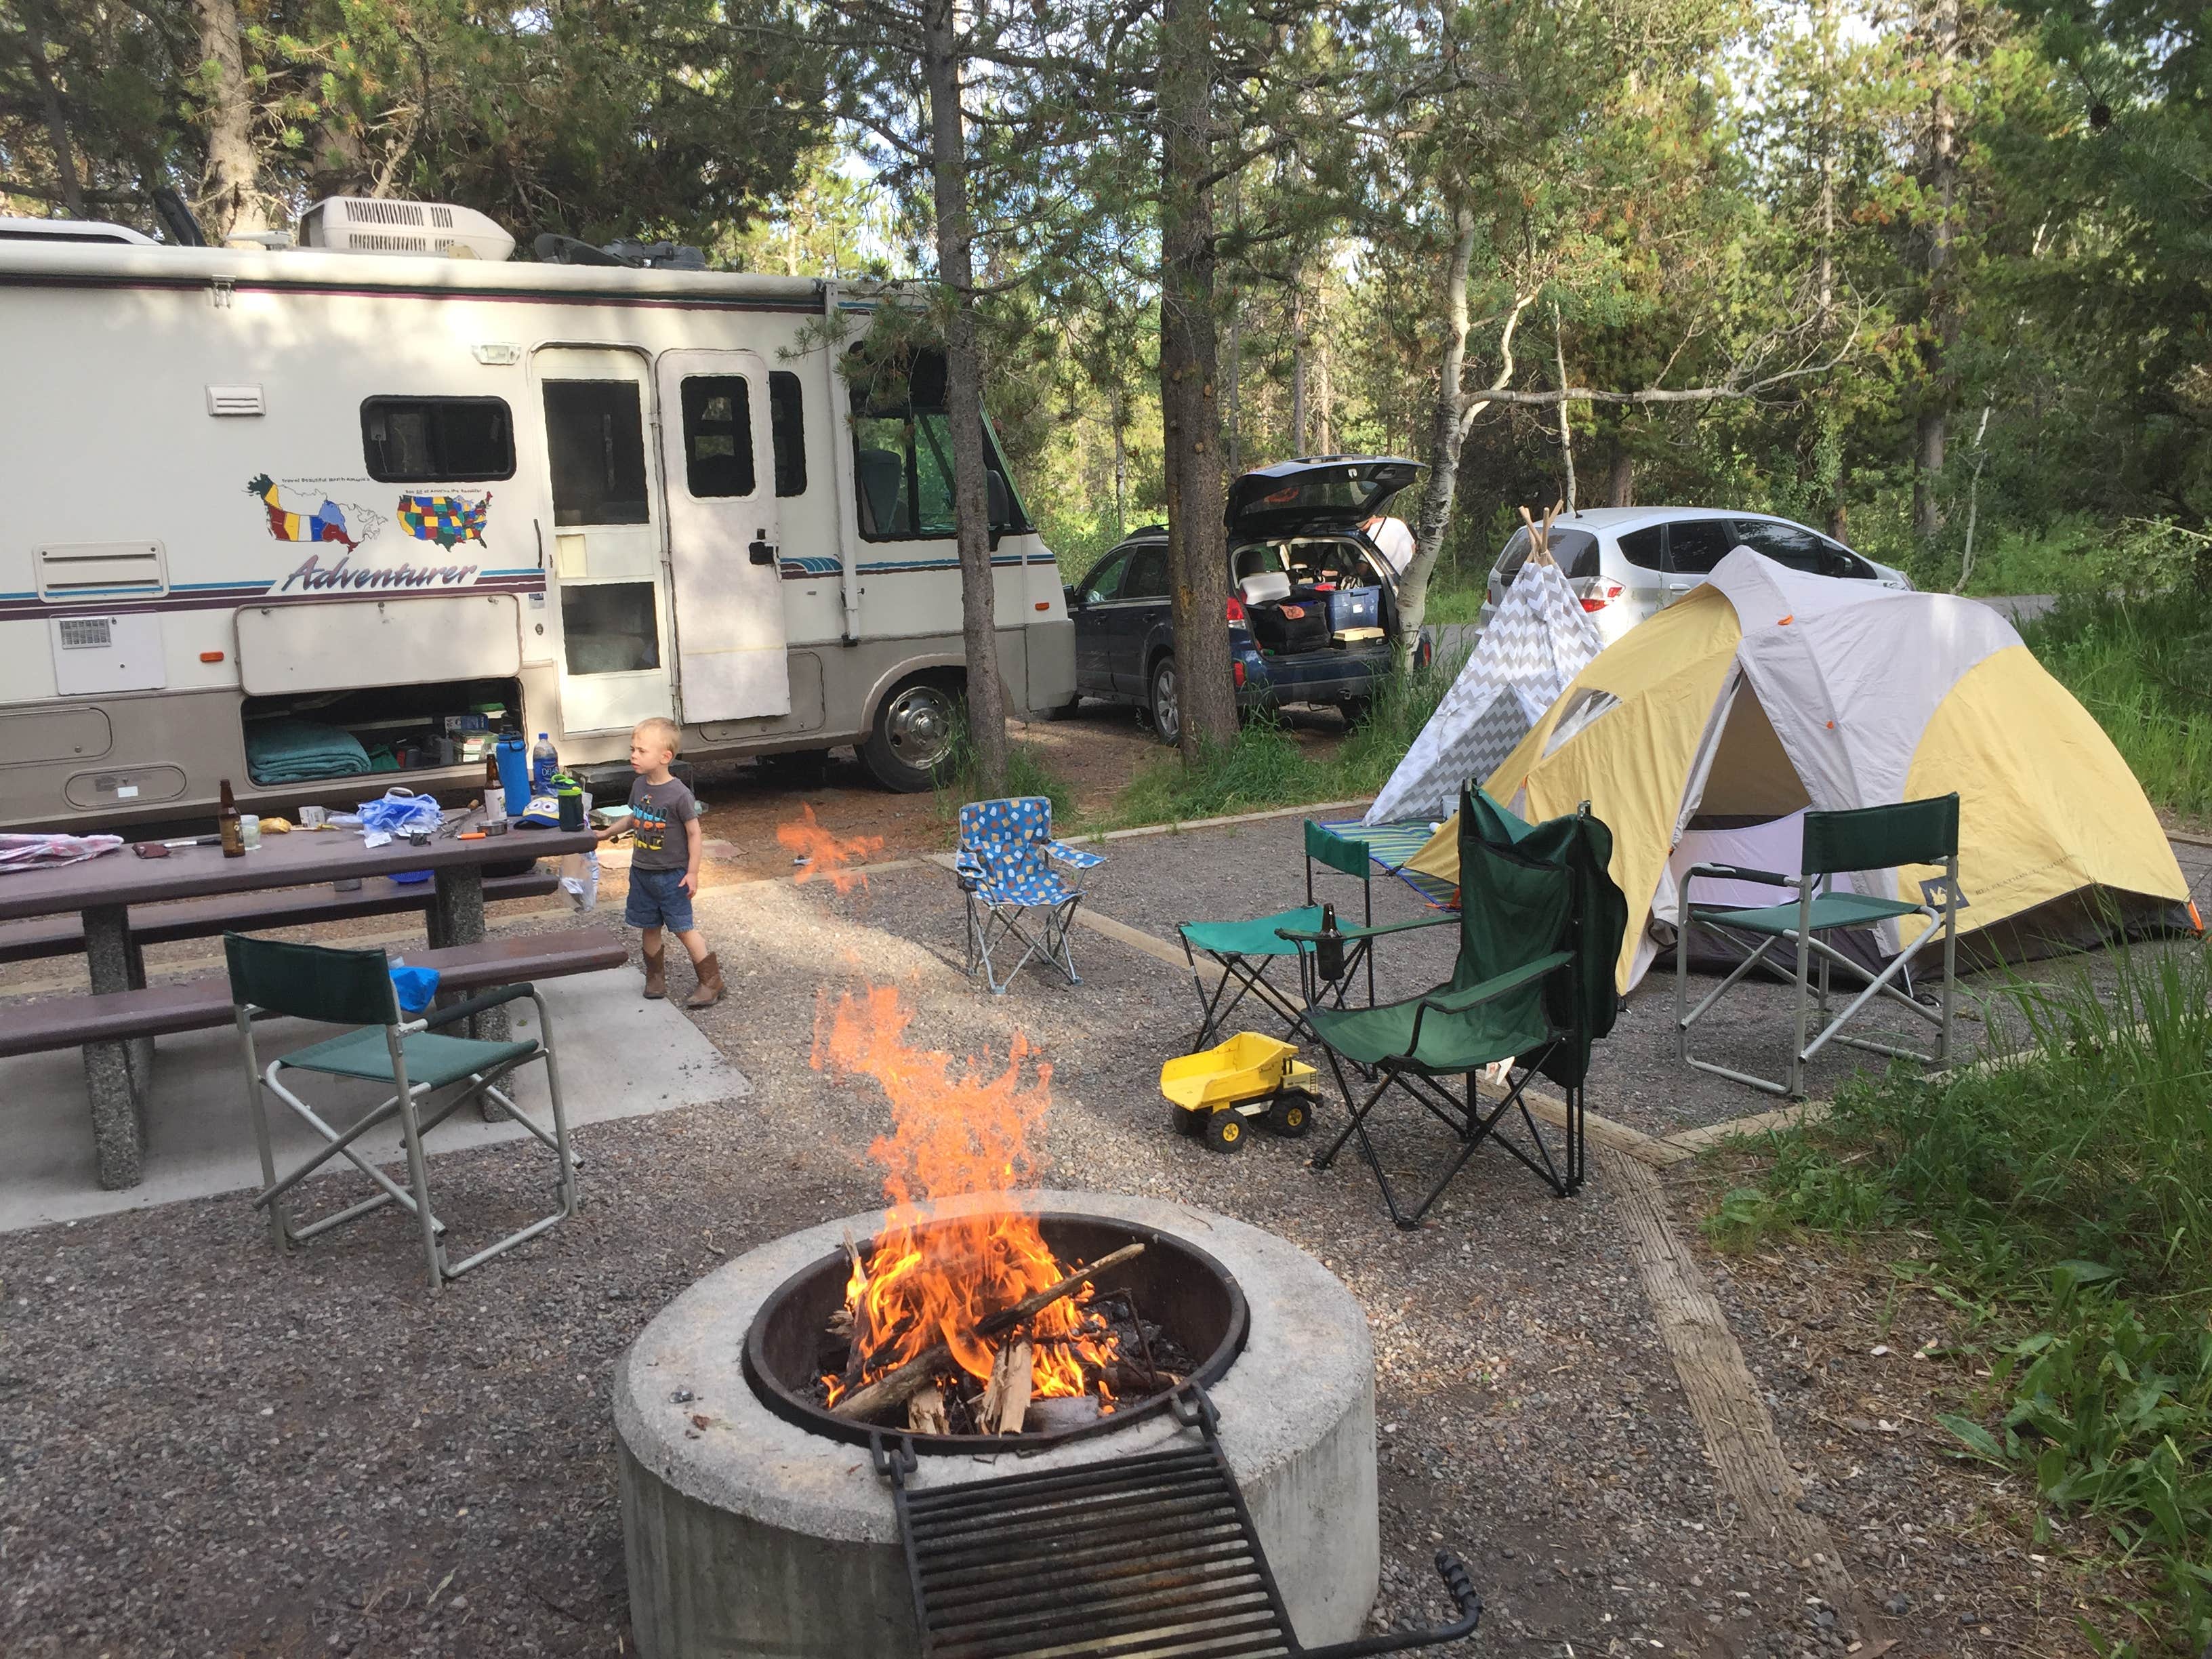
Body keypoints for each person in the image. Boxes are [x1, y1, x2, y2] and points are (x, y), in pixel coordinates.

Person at [602, 716, 723, 1007]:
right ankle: (655, 977)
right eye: (633, 749)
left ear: (665, 757)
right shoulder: (639, 785)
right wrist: (606, 833)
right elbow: (634, 817)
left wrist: (692, 872)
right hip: (642, 872)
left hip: (673, 876)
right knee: (649, 926)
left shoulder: (679, 794)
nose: (634, 755)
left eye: (641, 751)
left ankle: (711, 981)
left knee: (683, 928)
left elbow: (694, 834)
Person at [1364, 513, 1416, 578]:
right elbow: (1413, 548)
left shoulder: (1370, 536)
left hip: (1391, 579)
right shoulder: (1398, 523)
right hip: (1409, 576)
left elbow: (1362, 570)